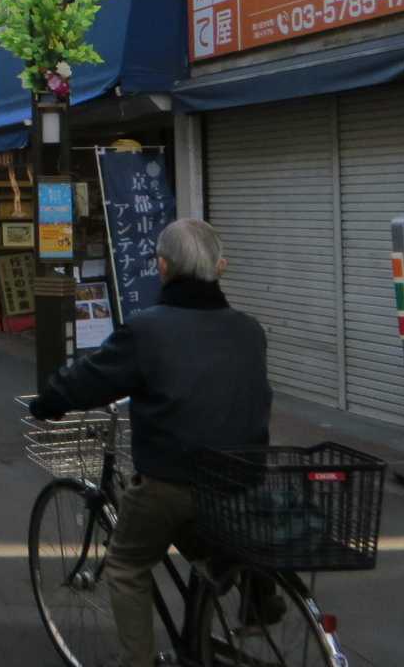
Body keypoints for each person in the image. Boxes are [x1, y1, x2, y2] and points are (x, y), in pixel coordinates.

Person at [29, 219, 272, 667]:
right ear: (219, 267)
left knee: (126, 565)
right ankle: (237, 597)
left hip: (173, 481)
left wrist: (49, 401)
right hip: (243, 481)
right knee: (208, 542)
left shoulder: (148, 331)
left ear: (162, 266)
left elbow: (90, 378)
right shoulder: (249, 330)